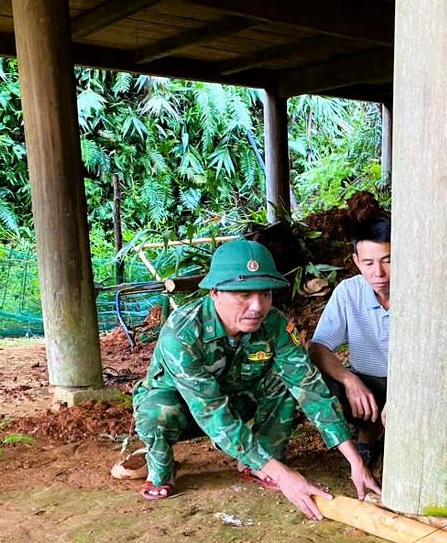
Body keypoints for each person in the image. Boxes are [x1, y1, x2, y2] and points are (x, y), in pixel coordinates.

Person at [131, 238, 380, 519]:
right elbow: (212, 413)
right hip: (187, 409)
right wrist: (286, 477)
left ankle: (257, 462)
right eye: (243, 294)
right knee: (154, 413)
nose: (257, 306)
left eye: (265, 294)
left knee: (287, 382)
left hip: (239, 398)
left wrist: (354, 459)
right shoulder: (182, 334)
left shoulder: (274, 325)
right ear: (214, 292)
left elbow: (308, 386)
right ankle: (162, 469)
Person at [308, 213, 391, 466]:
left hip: (417, 381)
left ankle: (384, 440)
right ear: (356, 261)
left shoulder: (423, 291)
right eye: (368, 263)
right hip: (370, 382)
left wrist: (403, 396)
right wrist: (349, 379)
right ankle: (365, 437)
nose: (378, 272)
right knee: (316, 380)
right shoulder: (348, 292)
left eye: (388, 261)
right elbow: (317, 348)